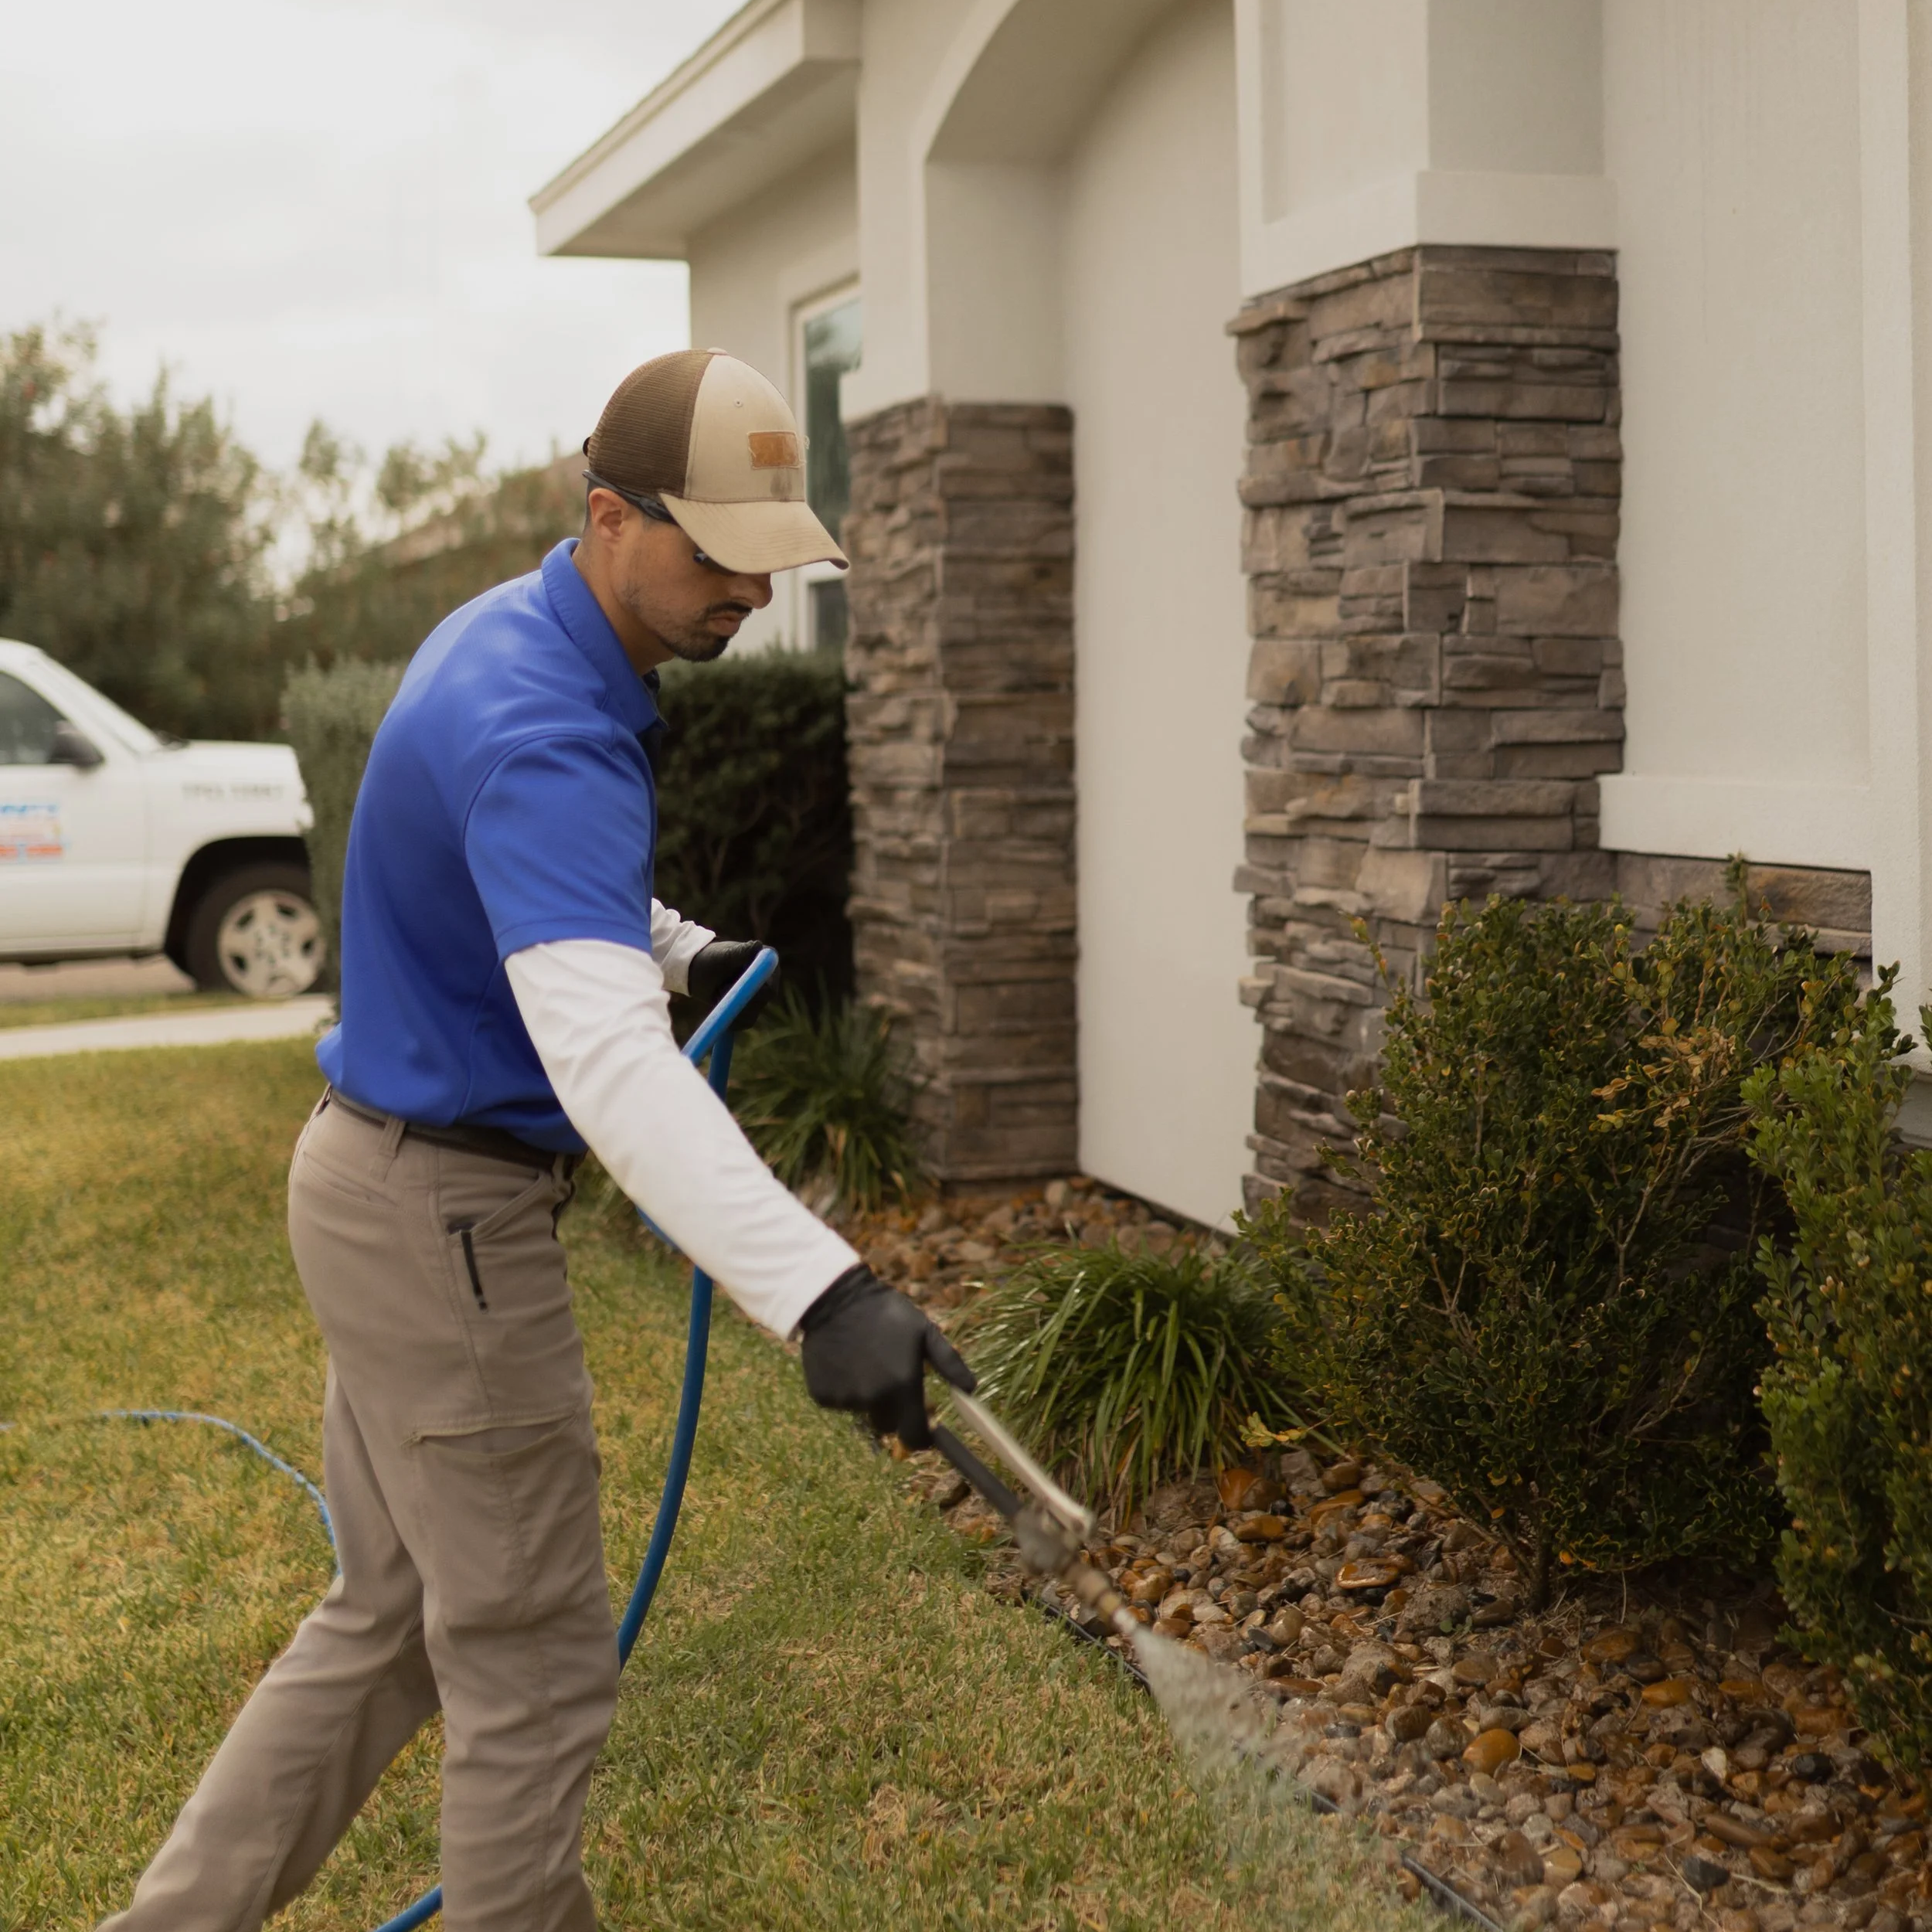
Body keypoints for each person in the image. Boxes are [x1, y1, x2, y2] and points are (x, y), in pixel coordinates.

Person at [103, 349, 973, 1932]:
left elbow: (514, 869)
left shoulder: (514, 640)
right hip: (444, 1222)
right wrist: (826, 1293)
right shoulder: (551, 728)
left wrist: (665, 941)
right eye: (714, 554)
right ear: (605, 515)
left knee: (392, 1619)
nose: (746, 594)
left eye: (768, 557)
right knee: (532, 1657)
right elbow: (613, 1078)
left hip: (367, 1182)